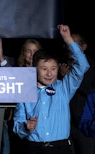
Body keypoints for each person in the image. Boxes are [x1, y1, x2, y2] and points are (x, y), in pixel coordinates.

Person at [13, 24, 90, 154]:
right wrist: (25, 127)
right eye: (44, 69)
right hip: (34, 147)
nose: (49, 74)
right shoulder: (25, 91)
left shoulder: (64, 88)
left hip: (61, 148)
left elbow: (82, 65)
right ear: (35, 69)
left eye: (53, 69)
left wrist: (68, 39)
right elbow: (17, 125)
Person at [59, 33, 95, 154]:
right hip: (65, 124)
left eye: (75, 44)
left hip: (85, 124)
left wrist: (70, 79)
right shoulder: (60, 65)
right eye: (68, 44)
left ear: (84, 47)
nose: (70, 47)